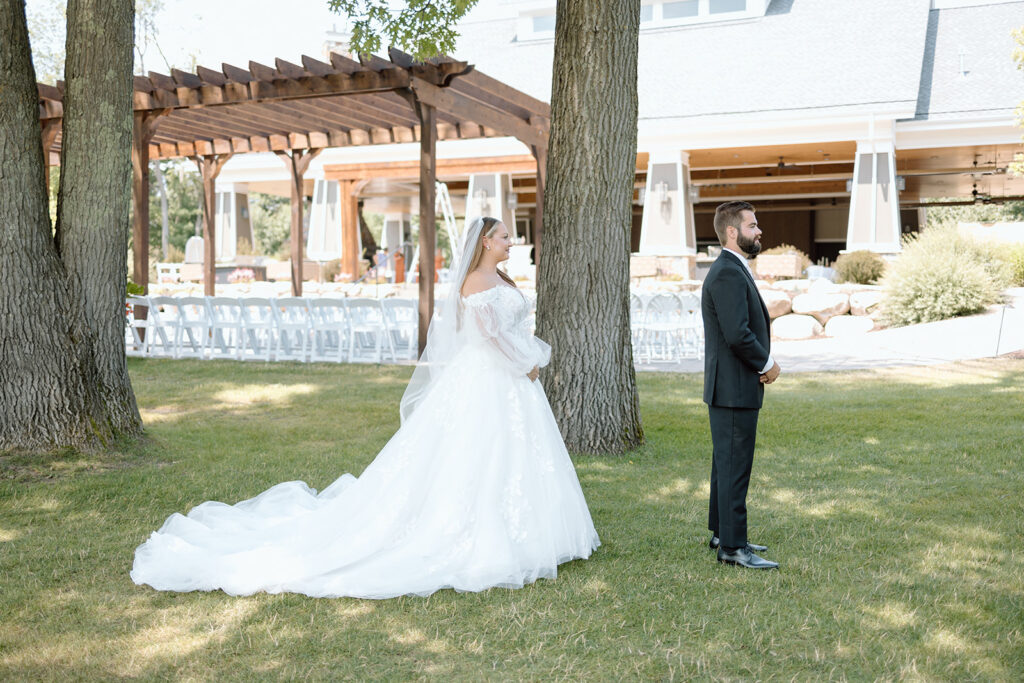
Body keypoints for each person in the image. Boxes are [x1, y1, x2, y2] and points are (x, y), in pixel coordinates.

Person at [130, 216, 599, 599]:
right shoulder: (475, 284)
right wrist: (526, 363)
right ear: (484, 243)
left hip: (510, 380)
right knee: (476, 452)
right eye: (503, 237)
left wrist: (526, 360)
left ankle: (534, 530)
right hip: (491, 376)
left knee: (513, 454)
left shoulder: (499, 276)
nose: (510, 242)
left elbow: (508, 329)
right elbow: (492, 337)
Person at [701, 201, 781, 570]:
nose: (759, 230)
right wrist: (767, 364)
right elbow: (738, 334)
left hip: (730, 387)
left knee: (725, 464)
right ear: (732, 232)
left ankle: (722, 530)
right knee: (735, 466)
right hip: (734, 387)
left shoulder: (732, 268)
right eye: (752, 225)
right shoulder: (728, 273)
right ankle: (732, 548)